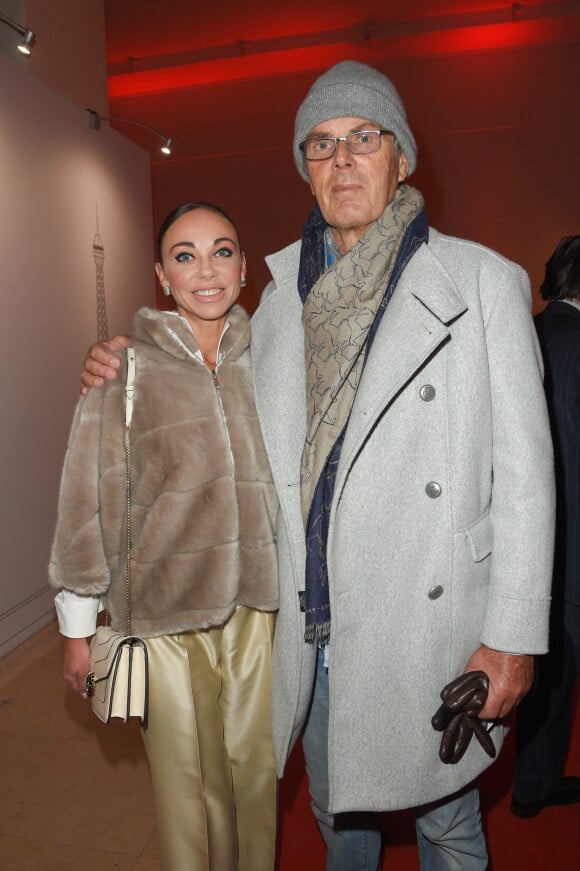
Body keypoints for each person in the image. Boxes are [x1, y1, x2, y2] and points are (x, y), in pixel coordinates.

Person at [81, 62, 555, 870]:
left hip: (435, 632)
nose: (342, 159)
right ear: (306, 166)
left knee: (447, 828)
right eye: (322, 143)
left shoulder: (482, 283)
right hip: (320, 625)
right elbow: (206, 380)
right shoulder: (280, 306)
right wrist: (129, 357)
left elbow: (527, 478)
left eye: (363, 139)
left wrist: (512, 639)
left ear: (402, 158)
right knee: (342, 819)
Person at [50, 202, 279, 871]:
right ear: (161, 273)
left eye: (222, 251)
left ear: (242, 265)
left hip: (259, 614)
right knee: (190, 793)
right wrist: (76, 623)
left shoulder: (269, 358)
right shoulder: (124, 368)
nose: (205, 270)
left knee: (256, 780)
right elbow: (85, 500)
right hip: (163, 615)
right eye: (185, 255)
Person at [511, 235, 580, 818]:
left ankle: (531, 785)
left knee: (548, 675)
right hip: (576, 540)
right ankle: (535, 787)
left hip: (529, 541)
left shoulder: (525, 332)